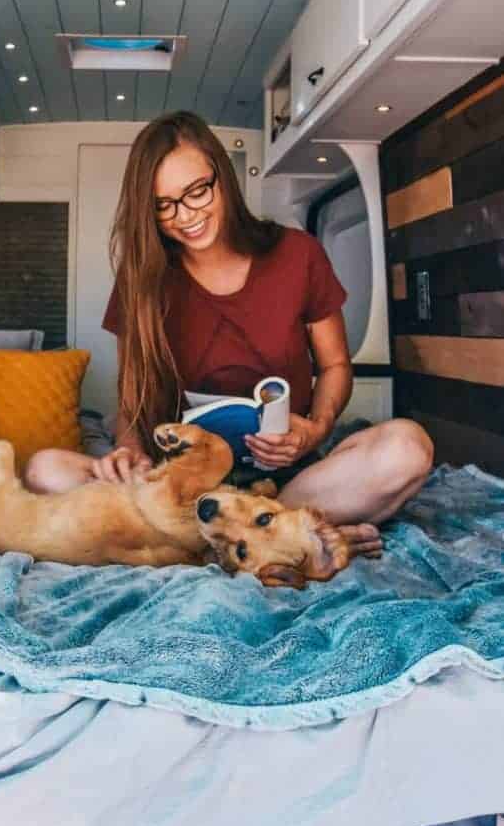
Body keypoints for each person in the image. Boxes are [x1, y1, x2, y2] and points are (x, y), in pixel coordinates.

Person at [24, 111, 433, 527]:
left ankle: (231, 527)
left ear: (221, 176)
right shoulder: (142, 279)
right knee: (44, 470)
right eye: (164, 206)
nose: (185, 216)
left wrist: (315, 430)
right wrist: (128, 448)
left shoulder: (299, 254)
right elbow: (133, 395)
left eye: (197, 191)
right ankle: (269, 530)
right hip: (182, 479)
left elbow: (335, 366)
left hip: (286, 478)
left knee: (408, 448)